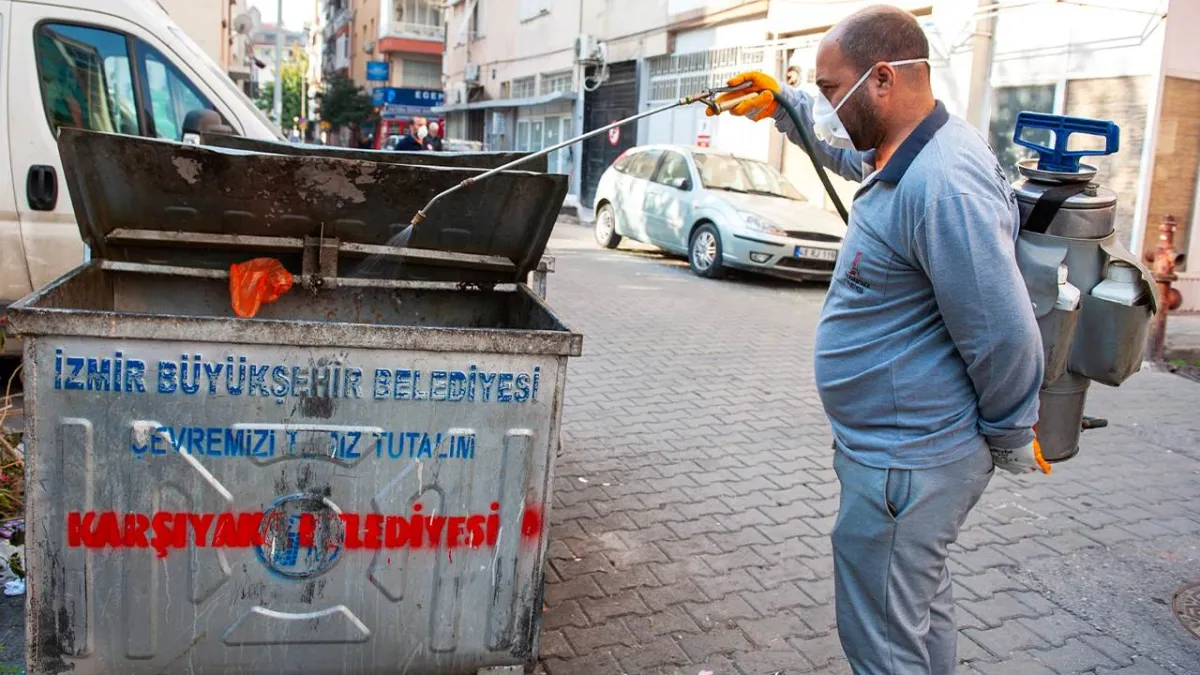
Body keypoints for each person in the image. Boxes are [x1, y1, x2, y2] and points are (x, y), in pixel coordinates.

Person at [709, 5, 1047, 675]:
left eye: (831, 89)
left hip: (909, 464)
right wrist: (787, 108)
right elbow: (851, 148)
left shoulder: (944, 183)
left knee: (885, 646)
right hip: (898, 455)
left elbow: (1002, 329)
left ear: (883, 79)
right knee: (917, 610)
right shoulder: (909, 148)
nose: (827, 105)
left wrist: (1011, 432)